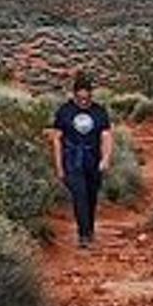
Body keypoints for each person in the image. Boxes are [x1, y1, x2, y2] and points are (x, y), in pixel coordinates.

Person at [49, 72, 114, 247]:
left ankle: (89, 230)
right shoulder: (65, 111)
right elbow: (56, 138)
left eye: (87, 98)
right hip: (72, 160)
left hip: (93, 160)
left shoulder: (99, 112)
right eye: (80, 98)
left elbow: (106, 136)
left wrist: (106, 159)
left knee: (91, 197)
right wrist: (59, 166)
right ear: (74, 95)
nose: (84, 102)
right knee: (80, 195)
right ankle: (84, 235)